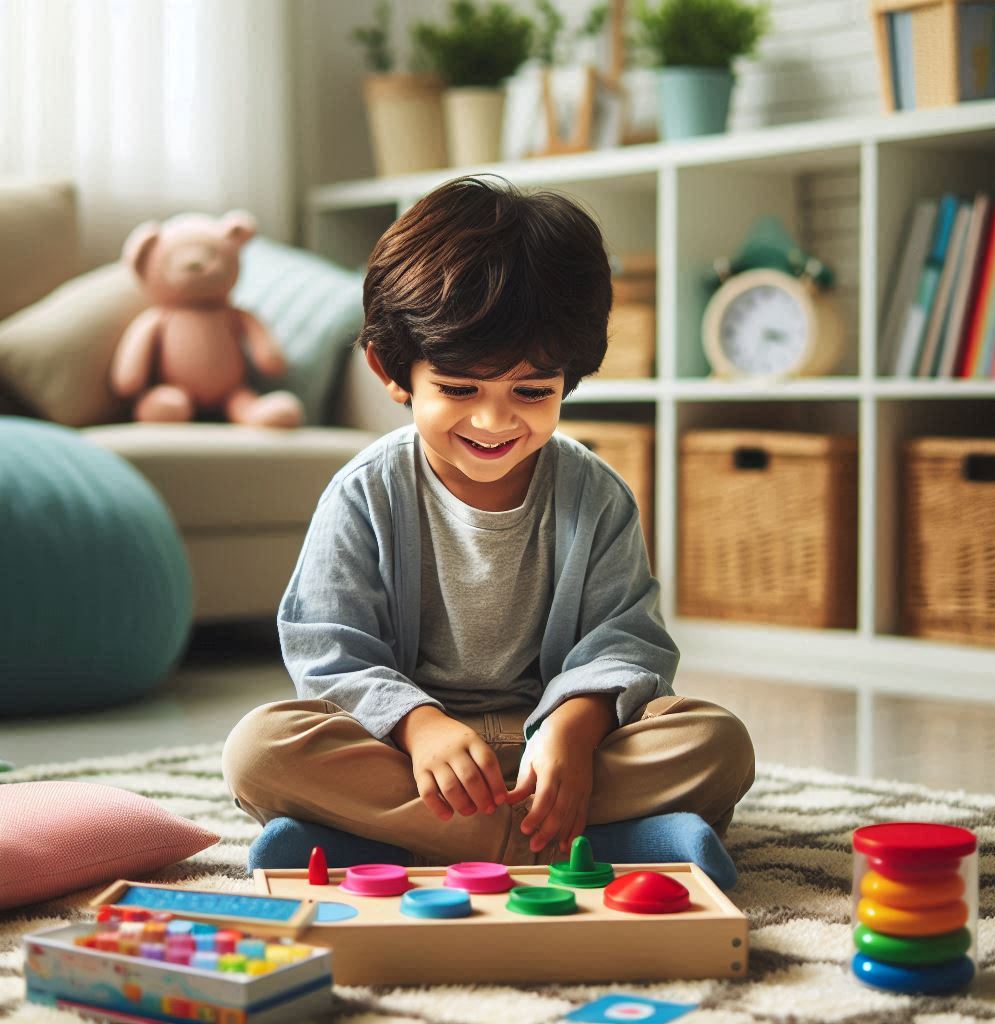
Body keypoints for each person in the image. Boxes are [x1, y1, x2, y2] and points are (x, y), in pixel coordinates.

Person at [222, 176, 754, 888]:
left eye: (532, 392)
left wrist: (573, 727)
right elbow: (330, 649)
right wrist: (421, 726)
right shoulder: (365, 492)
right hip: (411, 753)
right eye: (461, 389)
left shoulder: (595, 493)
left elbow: (623, 640)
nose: (495, 422)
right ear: (393, 371)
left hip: (557, 755)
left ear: (573, 377)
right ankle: (607, 841)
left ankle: (391, 844)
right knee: (259, 749)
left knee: (717, 743)